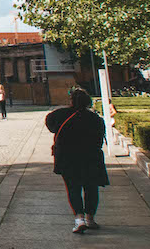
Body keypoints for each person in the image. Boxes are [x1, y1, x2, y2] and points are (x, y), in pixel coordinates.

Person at [45, 88, 109, 234]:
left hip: (68, 158)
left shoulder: (61, 114)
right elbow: (99, 139)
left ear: (71, 101)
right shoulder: (95, 118)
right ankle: (90, 219)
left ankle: (79, 219)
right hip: (90, 158)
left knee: (73, 189)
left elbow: (49, 122)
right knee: (91, 188)